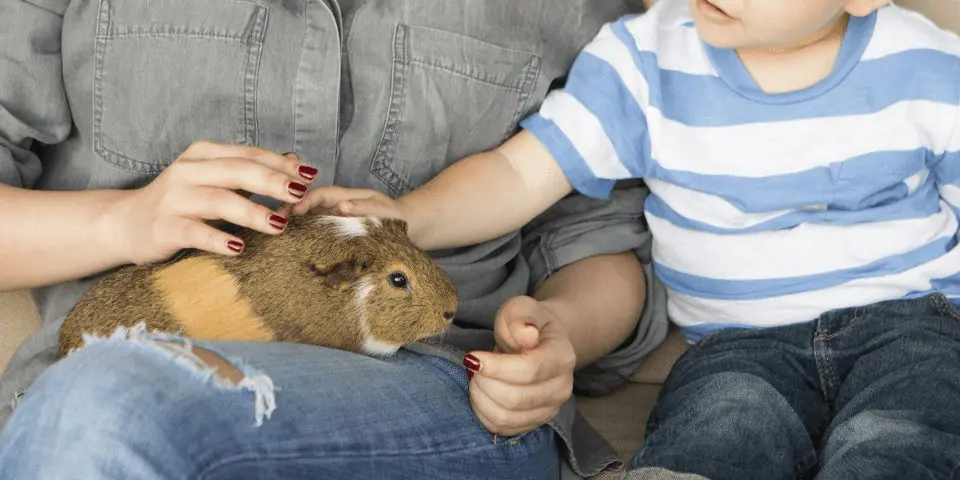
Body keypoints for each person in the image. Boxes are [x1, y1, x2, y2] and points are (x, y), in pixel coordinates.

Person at [0, 0, 669, 478]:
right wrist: (124, 221)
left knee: (107, 412)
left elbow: (595, 237)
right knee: (104, 408)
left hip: (438, 394)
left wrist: (556, 336)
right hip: (101, 373)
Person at [298, 0, 960, 478]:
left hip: (913, 324)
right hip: (736, 345)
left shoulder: (926, 64)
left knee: (901, 435)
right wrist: (407, 218)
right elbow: (519, 171)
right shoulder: (646, 57)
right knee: (722, 428)